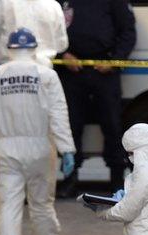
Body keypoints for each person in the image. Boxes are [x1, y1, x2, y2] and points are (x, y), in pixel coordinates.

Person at [0, 28, 76, 235]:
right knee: (42, 204)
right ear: (35, 48)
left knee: (10, 203)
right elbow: (58, 115)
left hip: (7, 146)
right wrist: (67, 149)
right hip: (41, 146)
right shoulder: (47, 75)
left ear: (9, 49)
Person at [56, 0, 136, 198]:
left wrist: (114, 60)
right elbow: (49, 32)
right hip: (71, 70)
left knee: (112, 125)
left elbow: (128, 32)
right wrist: (62, 54)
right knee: (71, 126)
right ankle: (69, 179)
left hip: (105, 70)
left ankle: (117, 180)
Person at [0, 0, 68, 67]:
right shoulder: (53, 6)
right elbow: (62, 45)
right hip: (43, 70)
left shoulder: (5, 3)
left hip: (9, 72)